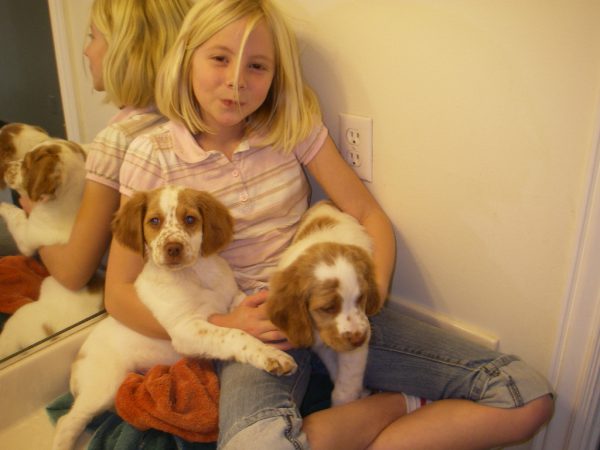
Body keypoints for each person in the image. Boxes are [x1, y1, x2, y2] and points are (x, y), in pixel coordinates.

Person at [104, 1, 554, 449]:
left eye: (258, 66)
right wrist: (227, 323)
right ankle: (390, 408)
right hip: (254, 325)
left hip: (329, 302)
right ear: (186, 57)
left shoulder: (288, 127)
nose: (237, 80)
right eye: (219, 58)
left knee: (522, 394)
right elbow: (119, 293)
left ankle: (390, 409)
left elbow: (368, 214)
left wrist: (367, 297)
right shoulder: (152, 154)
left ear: (276, 75)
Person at [19, 0, 194, 290]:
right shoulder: (186, 120)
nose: (87, 50)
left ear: (127, 51)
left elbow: (72, 272)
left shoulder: (118, 140)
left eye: (93, 37)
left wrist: (31, 212)